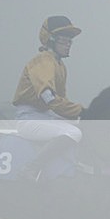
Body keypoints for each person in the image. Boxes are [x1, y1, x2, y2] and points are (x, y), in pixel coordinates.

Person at [12, 16, 84, 182]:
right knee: (72, 132)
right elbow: (49, 99)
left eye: (70, 41)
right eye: (64, 40)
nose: (68, 45)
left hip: (46, 116)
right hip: (30, 119)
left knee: (81, 127)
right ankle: (31, 168)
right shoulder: (43, 61)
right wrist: (81, 110)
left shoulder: (59, 65)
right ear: (50, 40)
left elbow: (61, 101)